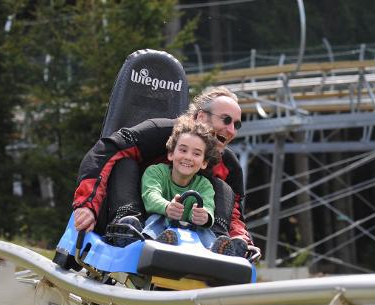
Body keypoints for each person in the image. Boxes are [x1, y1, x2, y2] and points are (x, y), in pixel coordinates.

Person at [72, 86, 258, 257]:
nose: (232, 130)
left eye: (237, 124)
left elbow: (235, 213)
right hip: (143, 215)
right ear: (201, 116)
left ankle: (221, 243)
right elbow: (104, 152)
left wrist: (242, 239)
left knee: (224, 188)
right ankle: (126, 226)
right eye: (226, 120)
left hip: (194, 231)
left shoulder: (227, 163)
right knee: (124, 163)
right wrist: (87, 206)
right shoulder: (159, 132)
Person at [140, 116, 235, 255]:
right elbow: (150, 195)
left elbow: (208, 205)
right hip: (163, 223)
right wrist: (167, 207)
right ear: (171, 154)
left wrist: (205, 216)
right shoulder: (156, 172)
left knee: (204, 228)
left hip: (191, 233)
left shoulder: (204, 185)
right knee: (158, 218)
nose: (188, 157)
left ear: (204, 163)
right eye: (183, 150)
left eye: (196, 154)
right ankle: (154, 239)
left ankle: (215, 250)